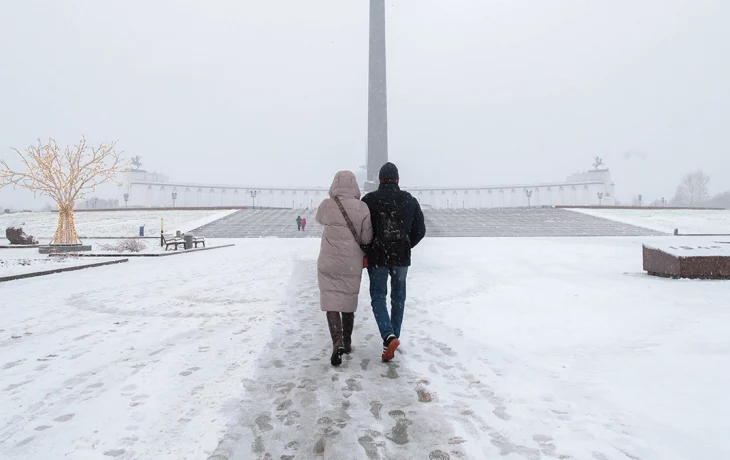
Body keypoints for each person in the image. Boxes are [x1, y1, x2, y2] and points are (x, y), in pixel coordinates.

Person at [362, 162, 426, 362]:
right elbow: (420, 230)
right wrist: (406, 244)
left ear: (379, 180)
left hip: (378, 255)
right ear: (397, 180)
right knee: (398, 298)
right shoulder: (409, 200)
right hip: (401, 257)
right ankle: (393, 336)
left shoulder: (369, 200)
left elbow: (362, 230)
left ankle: (388, 336)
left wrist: (368, 248)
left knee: (378, 296)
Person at [316, 171, 373, 366]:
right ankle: (347, 342)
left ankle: (337, 341)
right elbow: (366, 238)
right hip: (351, 262)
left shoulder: (326, 205)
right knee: (348, 300)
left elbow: (318, 219)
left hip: (328, 261)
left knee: (331, 301)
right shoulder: (362, 207)